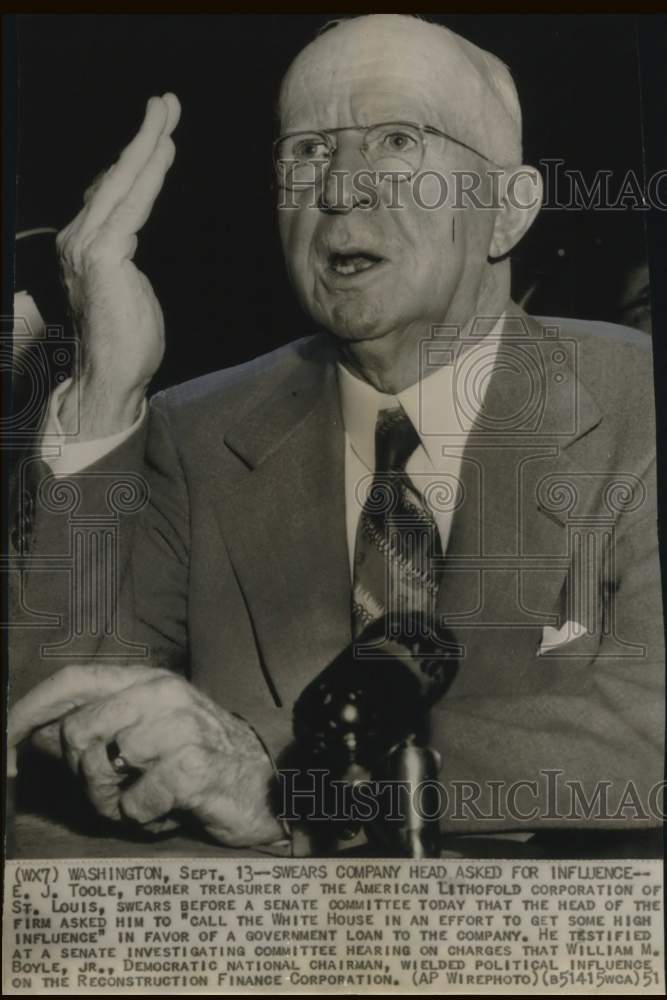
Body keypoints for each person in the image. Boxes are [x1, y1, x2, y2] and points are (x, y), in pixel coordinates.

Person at [8, 15, 663, 852]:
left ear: (505, 210)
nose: (341, 188)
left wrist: (298, 782)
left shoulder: (636, 403)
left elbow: (651, 726)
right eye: (307, 151)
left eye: (396, 140)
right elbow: (53, 715)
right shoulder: (195, 432)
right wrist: (107, 388)